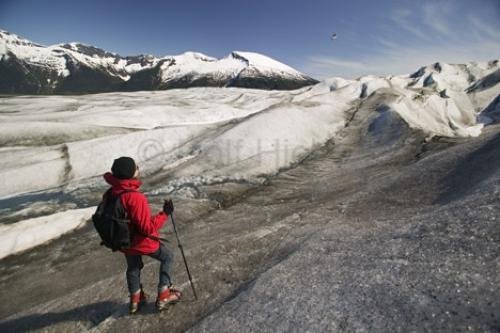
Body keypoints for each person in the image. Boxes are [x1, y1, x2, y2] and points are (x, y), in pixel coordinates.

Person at [102, 156, 182, 314]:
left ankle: (135, 300)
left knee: (133, 267)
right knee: (167, 257)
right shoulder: (134, 197)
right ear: (129, 173)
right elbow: (147, 228)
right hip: (141, 242)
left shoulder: (111, 193)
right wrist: (165, 213)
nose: (139, 168)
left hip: (124, 241)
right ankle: (164, 294)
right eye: (136, 167)